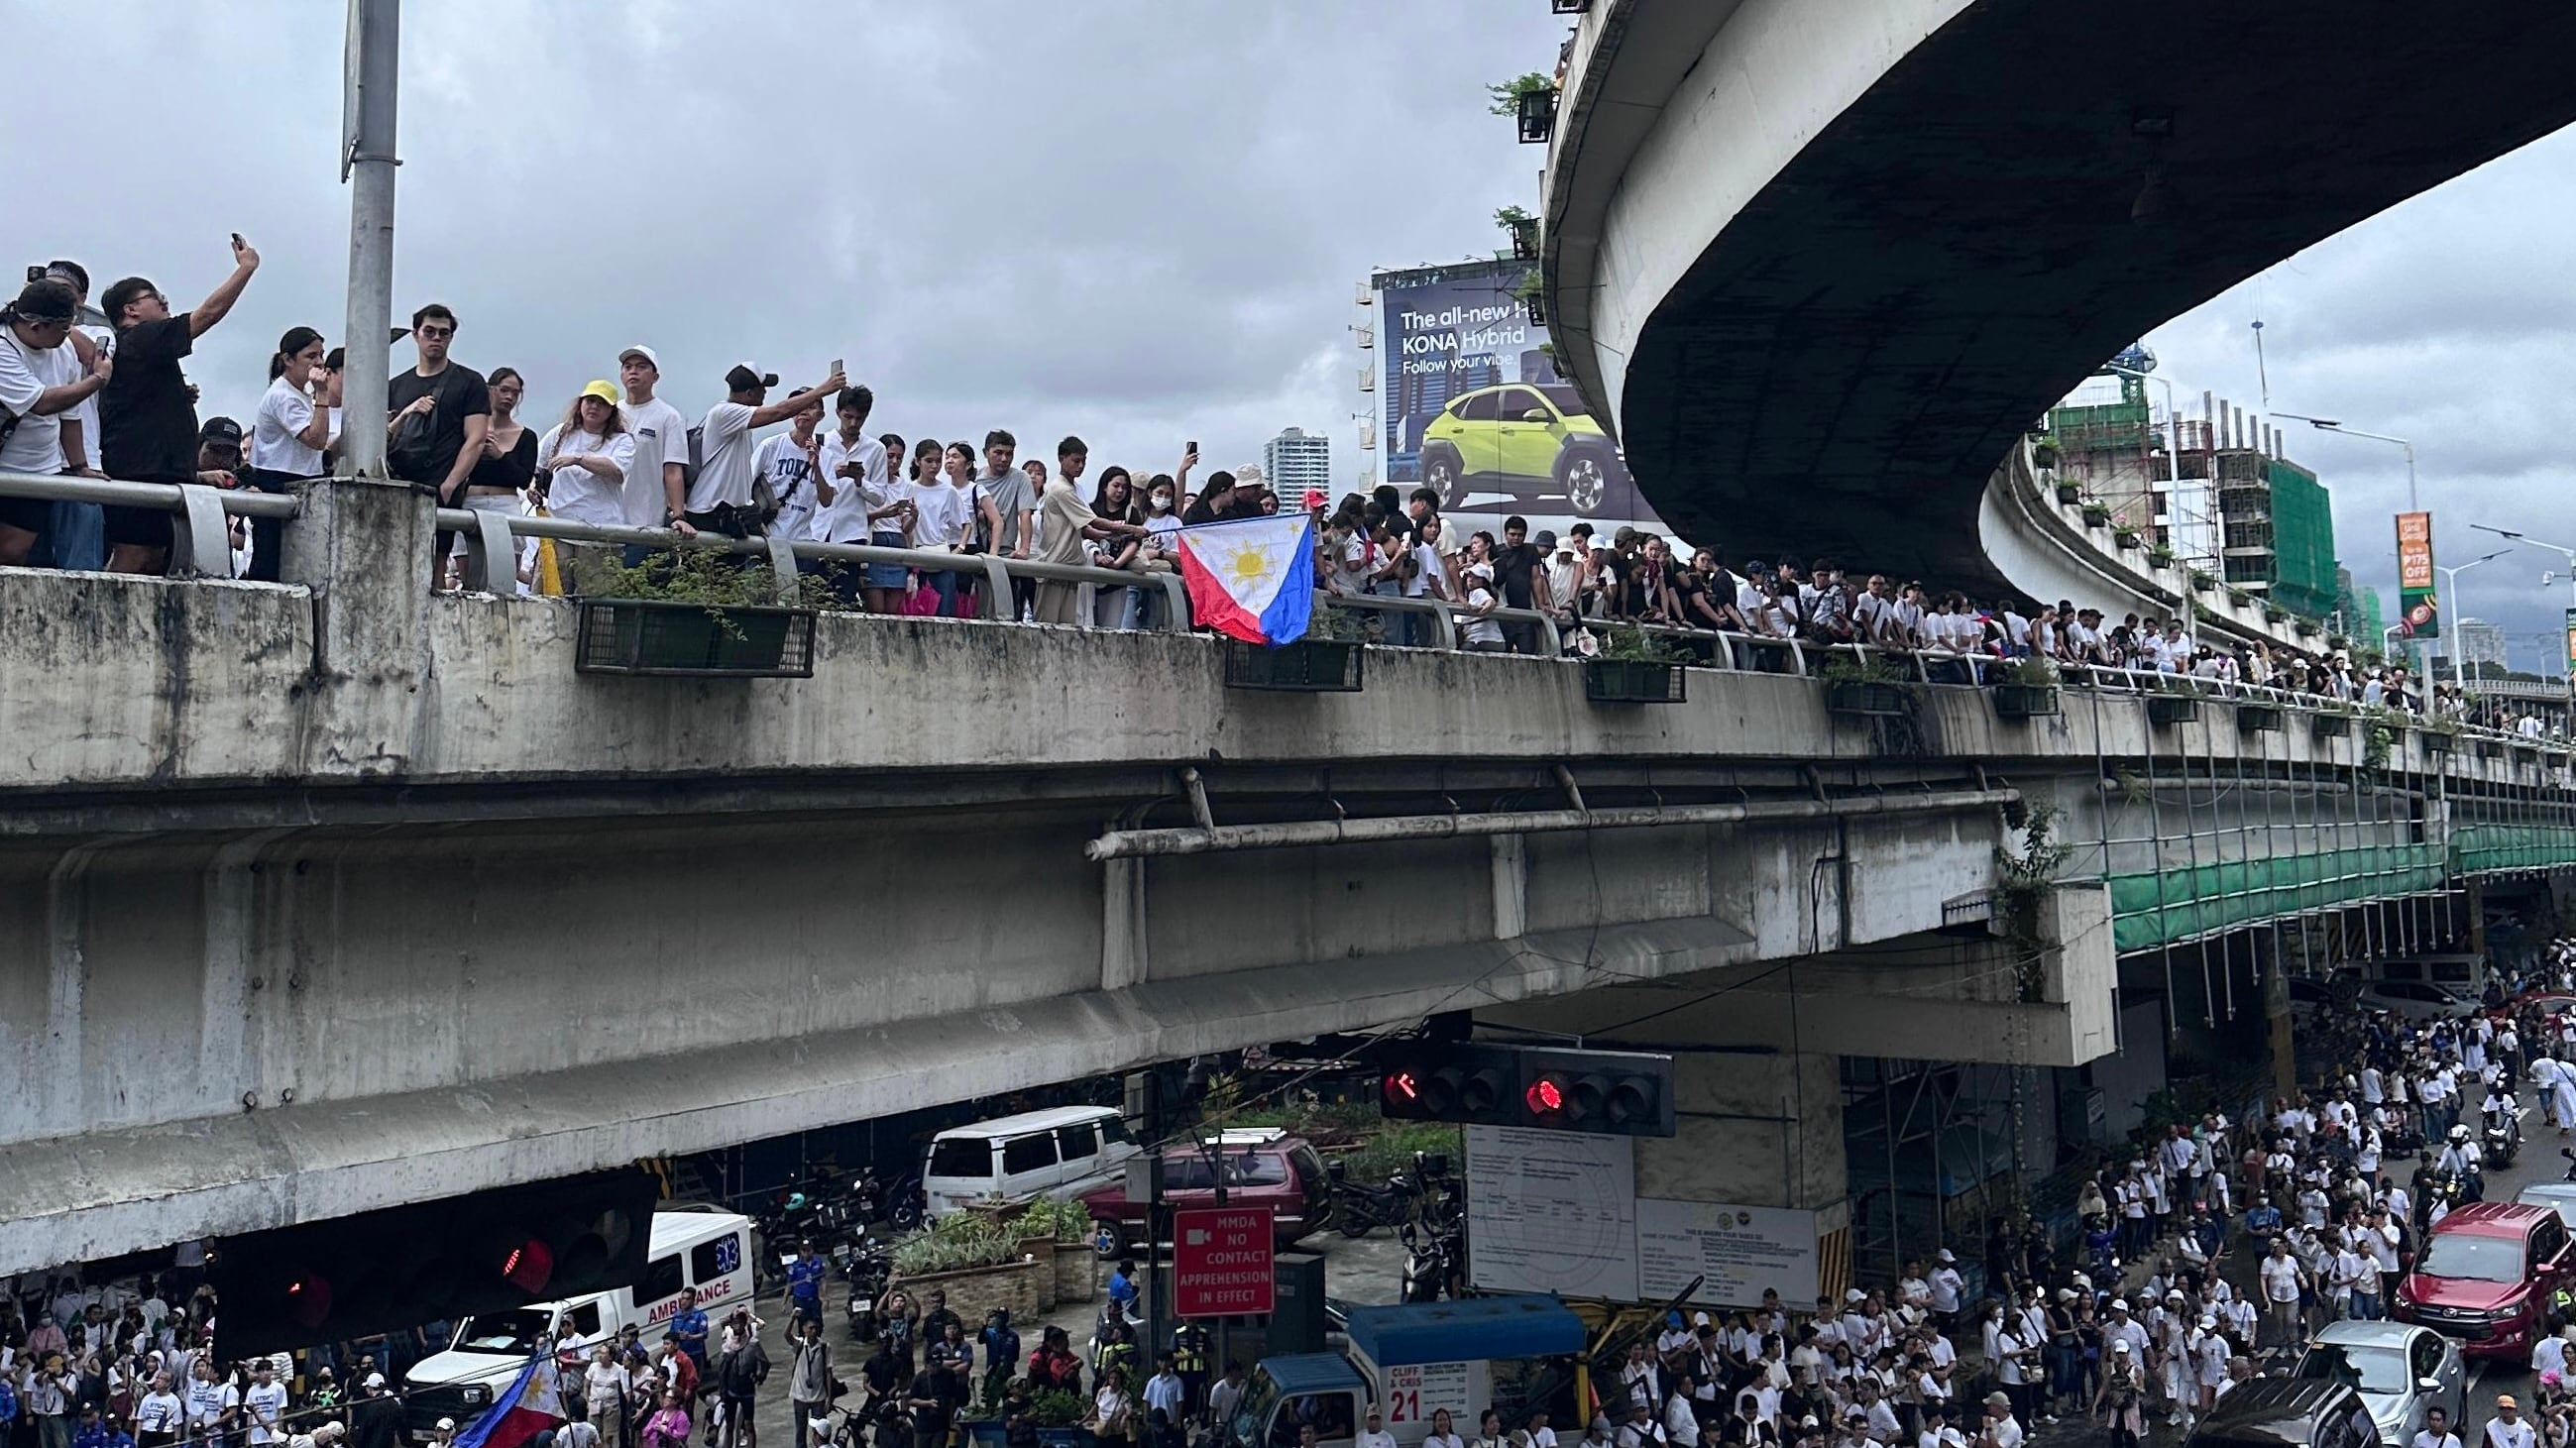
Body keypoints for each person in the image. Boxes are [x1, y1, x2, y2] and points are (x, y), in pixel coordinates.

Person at [96, 233, 260, 574]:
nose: (164, 302)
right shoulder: (140, 338)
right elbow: (207, 315)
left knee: (152, 556)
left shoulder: (144, 349)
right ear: (131, 309)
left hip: (155, 470)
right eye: (155, 297)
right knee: (136, 554)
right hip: (141, 470)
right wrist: (246, 269)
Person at [0, 278, 112, 567]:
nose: (68, 335)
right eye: (64, 329)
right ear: (37, 327)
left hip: (39, 468)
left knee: (15, 551)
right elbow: (41, 403)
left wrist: (80, 468)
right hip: (6, 464)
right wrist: (97, 380)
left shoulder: (63, 349)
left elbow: (69, 415)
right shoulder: (3, 348)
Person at [385, 303, 491, 583]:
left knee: (436, 563)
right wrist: (407, 413)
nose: (436, 338)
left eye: (443, 333)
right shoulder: (396, 386)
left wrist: (451, 483)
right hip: (400, 481)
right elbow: (383, 436)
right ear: (416, 335)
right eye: (429, 331)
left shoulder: (469, 381)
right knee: (393, 559)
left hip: (442, 483)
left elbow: (476, 437)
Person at [680, 363, 844, 541]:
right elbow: (779, 412)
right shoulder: (725, 413)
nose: (765, 393)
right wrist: (824, 389)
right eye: (762, 389)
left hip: (728, 513)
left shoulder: (739, 426)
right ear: (750, 393)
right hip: (709, 512)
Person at [244, 326, 331, 582]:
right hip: (279, 479)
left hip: (298, 478)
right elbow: (315, 439)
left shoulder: (298, 394)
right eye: (311, 356)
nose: (319, 363)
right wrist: (323, 394)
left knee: (293, 562)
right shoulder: (283, 396)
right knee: (271, 562)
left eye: (321, 355)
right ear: (288, 360)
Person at [1034, 437, 1149, 626]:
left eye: (1083, 461)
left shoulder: (1073, 489)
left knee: (1068, 630)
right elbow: (1095, 521)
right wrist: (1132, 529)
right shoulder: (1061, 489)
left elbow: (1086, 530)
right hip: (1054, 567)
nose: (1080, 466)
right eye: (1076, 460)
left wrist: (1112, 535)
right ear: (1062, 459)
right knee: (1047, 628)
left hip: (1071, 568)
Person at [811, 387, 897, 609]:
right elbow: (807, 488)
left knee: (843, 599)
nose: (853, 423)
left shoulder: (875, 449)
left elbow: (879, 497)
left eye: (859, 418)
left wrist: (860, 481)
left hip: (852, 533)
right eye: (848, 417)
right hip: (817, 529)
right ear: (838, 412)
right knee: (812, 596)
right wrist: (834, 474)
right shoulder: (820, 441)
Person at [450, 366, 536, 587]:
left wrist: (500, 456)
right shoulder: (468, 430)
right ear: (491, 390)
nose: (509, 397)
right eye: (504, 390)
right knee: (468, 573)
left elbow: (523, 479)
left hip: (505, 501)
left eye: (515, 393)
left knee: (506, 575)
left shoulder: (526, 436)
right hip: (470, 499)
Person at [752, 400, 825, 555]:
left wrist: (817, 466)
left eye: (811, 407)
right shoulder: (771, 445)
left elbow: (827, 500)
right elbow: (746, 484)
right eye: (799, 406)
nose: (803, 411)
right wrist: (756, 523)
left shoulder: (825, 454)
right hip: (768, 537)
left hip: (803, 541)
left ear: (820, 416)